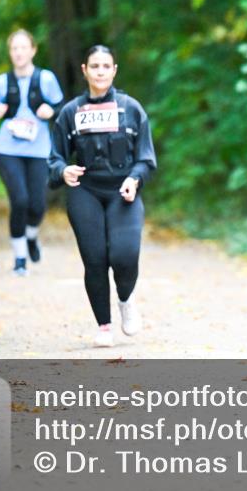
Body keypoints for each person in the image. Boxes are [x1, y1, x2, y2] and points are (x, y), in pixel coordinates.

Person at [48, 45, 156, 348]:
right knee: (95, 259)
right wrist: (62, 171)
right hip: (86, 192)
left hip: (123, 191)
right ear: (84, 70)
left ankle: (125, 299)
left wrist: (135, 179)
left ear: (114, 70)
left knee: (124, 256)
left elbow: (146, 159)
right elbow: (54, 159)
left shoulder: (131, 109)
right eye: (94, 66)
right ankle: (104, 325)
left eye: (105, 66)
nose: (99, 71)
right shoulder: (70, 113)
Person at [0, 29, 64, 276]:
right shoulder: (2, 82)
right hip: (8, 149)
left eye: (23, 48)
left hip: (39, 149)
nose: (18, 53)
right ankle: (20, 258)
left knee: (37, 205)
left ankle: (31, 236)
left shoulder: (46, 79)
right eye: (14, 48)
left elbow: (61, 106)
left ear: (33, 50)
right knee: (19, 200)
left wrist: (50, 111)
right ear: (10, 53)